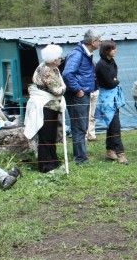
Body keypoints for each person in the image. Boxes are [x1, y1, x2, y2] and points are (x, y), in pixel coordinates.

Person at [24, 44, 66, 173]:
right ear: (54, 59)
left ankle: (53, 161)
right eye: (59, 57)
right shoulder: (46, 70)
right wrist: (65, 88)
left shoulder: (54, 69)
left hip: (52, 106)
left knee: (51, 136)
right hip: (45, 106)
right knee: (46, 136)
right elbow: (57, 90)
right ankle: (46, 166)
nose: (61, 59)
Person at [62, 29, 100, 165]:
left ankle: (79, 155)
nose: (100, 43)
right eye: (99, 41)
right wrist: (78, 90)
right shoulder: (77, 54)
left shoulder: (85, 54)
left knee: (81, 125)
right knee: (79, 126)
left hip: (84, 94)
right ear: (93, 42)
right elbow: (67, 74)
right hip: (78, 96)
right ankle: (81, 159)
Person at [95, 40, 128, 164]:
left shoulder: (112, 62)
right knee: (115, 126)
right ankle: (120, 153)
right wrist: (115, 81)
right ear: (106, 50)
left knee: (111, 125)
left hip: (114, 97)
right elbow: (110, 82)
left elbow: (114, 77)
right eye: (113, 49)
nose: (116, 50)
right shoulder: (101, 64)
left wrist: (114, 80)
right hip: (106, 98)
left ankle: (110, 150)